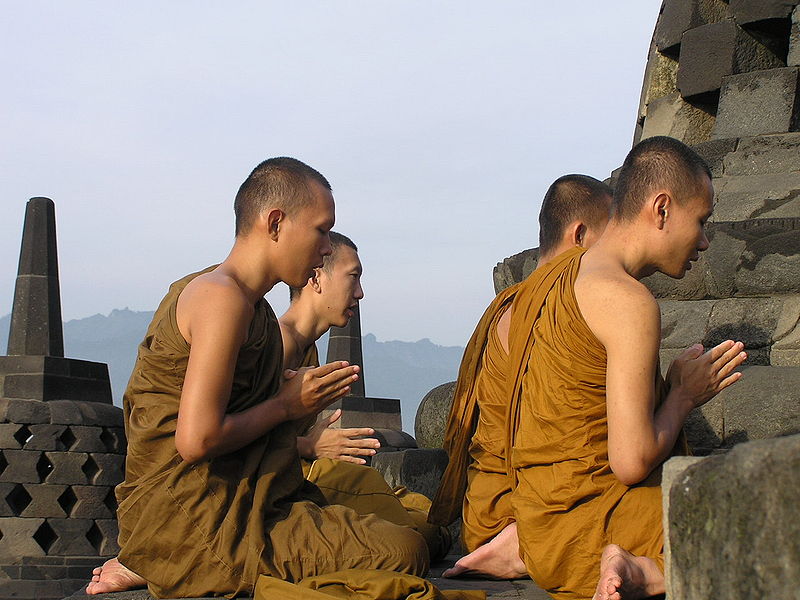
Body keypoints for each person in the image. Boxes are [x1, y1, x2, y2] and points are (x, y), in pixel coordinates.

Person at [86, 158, 429, 598]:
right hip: (198, 525)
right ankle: (156, 563)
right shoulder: (221, 300)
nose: (326, 247)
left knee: (404, 529)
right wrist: (287, 407)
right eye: (322, 230)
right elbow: (197, 440)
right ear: (276, 223)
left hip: (236, 504)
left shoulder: (250, 307)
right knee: (405, 549)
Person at [506, 137, 746, 599]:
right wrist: (682, 395)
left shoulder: (558, 278)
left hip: (541, 532)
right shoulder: (628, 300)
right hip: (593, 528)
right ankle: (639, 568)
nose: (704, 239)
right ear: (661, 209)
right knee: (757, 512)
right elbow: (631, 460)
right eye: (700, 221)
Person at [429, 175, 613, 580]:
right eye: (610, 237)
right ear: (580, 235)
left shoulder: (502, 308)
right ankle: (531, 544)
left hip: (485, 515)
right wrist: (680, 396)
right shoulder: (576, 303)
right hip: (550, 517)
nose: (615, 253)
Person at [279, 231, 451, 561]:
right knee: (412, 544)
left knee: (429, 524)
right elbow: (223, 447)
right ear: (316, 277)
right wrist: (309, 447)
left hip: (304, 482)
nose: (360, 293)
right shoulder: (279, 344)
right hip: (278, 503)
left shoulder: (306, 350)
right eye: (353, 277)